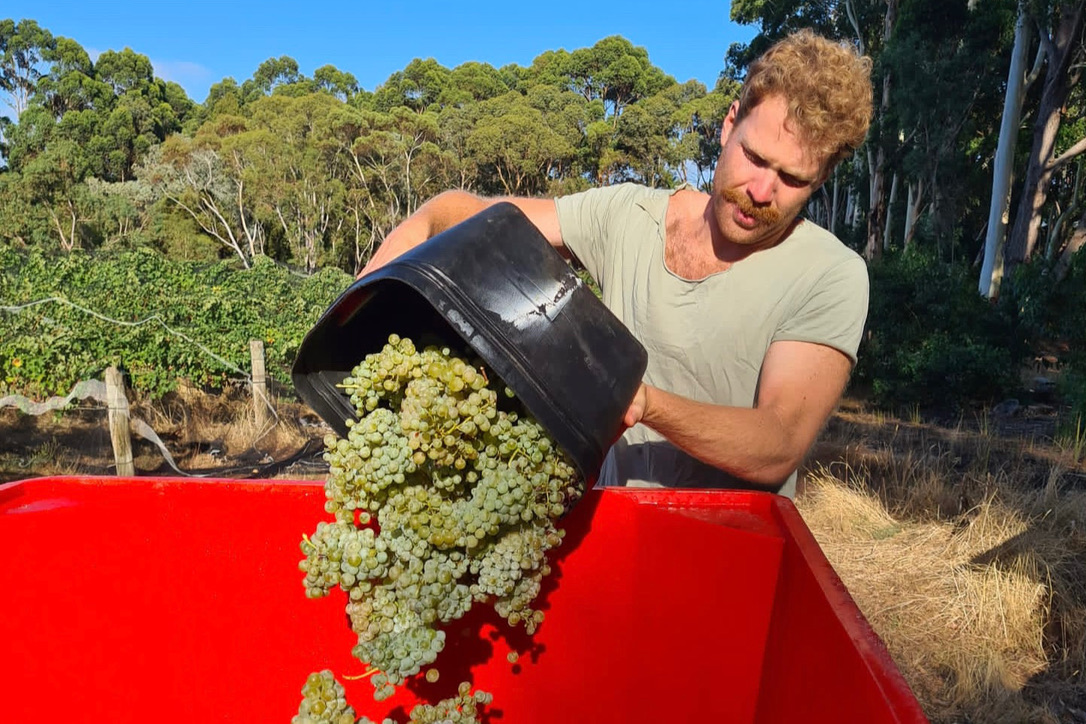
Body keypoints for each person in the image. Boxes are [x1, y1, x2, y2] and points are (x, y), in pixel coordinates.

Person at [358, 29, 874, 498]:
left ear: (822, 178)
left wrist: (645, 403)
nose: (762, 190)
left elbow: (779, 441)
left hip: (732, 557)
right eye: (756, 158)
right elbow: (482, 220)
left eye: (792, 179)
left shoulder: (830, 274)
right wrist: (429, 219)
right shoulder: (628, 216)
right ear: (729, 125)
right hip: (612, 539)